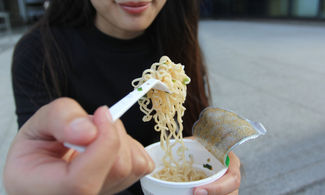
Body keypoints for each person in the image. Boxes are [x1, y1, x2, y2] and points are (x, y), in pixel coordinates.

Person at [4, 0, 241, 194]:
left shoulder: (177, 37)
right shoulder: (39, 54)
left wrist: (218, 165)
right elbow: (41, 162)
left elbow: (193, 131)